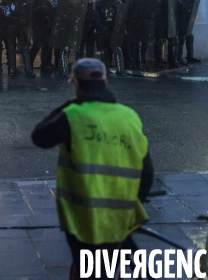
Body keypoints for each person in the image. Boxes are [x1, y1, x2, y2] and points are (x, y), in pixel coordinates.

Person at [31, 58, 153, 280]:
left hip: (82, 218)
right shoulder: (129, 117)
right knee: (107, 269)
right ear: (105, 81)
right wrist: (134, 203)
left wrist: (70, 105)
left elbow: (39, 137)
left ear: (75, 84)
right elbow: (147, 171)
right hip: (120, 216)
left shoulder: (73, 116)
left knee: (88, 270)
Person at [0, 0, 35, 78]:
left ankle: (29, 70)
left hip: (21, 26)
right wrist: (5, 11)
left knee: (24, 48)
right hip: (10, 26)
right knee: (11, 48)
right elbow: (1, 7)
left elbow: (28, 11)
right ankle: (12, 69)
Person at [91, 0, 126, 76]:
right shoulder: (99, 3)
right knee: (104, 50)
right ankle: (105, 68)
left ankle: (120, 70)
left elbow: (121, 16)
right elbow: (96, 17)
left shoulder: (117, 3)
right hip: (103, 30)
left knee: (117, 49)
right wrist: (101, 27)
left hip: (113, 30)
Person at [152, 0, 181, 68]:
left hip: (170, 20)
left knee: (172, 39)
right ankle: (158, 60)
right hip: (159, 20)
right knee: (159, 41)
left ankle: (172, 59)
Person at [26, 0, 54, 72]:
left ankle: (45, 64)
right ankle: (28, 64)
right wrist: (41, 9)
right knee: (36, 44)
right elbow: (29, 11)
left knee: (45, 44)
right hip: (35, 24)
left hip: (44, 24)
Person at [176, 0, 201, 64]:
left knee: (190, 37)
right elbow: (185, 7)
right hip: (180, 21)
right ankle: (178, 57)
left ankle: (190, 56)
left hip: (187, 21)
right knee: (181, 39)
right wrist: (192, 4)